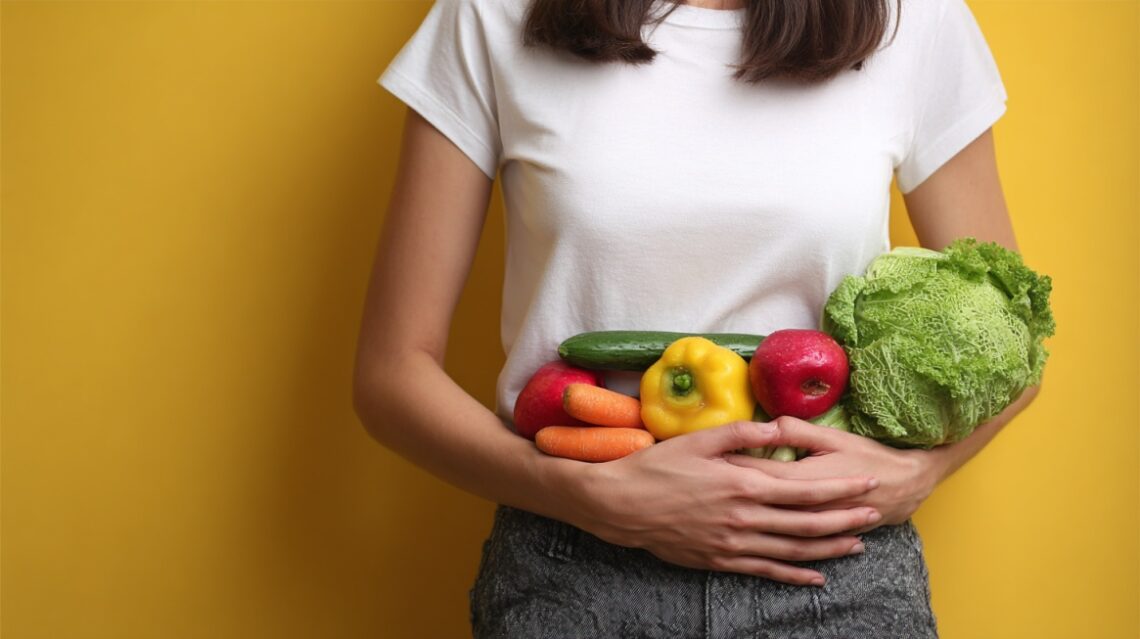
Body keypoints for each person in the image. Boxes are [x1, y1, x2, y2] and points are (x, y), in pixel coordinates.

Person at [354, 0, 1039, 636]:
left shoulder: (913, 18)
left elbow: (1016, 337)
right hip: (575, 567)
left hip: (835, 568)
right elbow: (392, 373)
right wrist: (585, 494)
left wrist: (921, 473)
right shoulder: (493, 14)